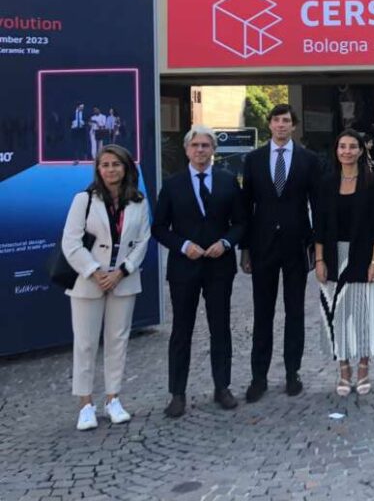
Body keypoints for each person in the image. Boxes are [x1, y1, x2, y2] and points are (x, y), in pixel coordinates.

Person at [152, 126, 246, 418]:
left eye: (206, 145)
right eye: (195, 145)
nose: (200, 150)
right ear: (186, 150)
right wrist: (182, 246)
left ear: (213, 150)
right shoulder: (172, 185)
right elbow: (159, 227)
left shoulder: (228, 181)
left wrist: (226, 243)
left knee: (221, 328)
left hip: (219, 267)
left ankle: (222, 387)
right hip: (184, 268)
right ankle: (177, 393)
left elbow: (241, 223)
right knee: (182, 331)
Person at [60, 144, 151, 431]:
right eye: (105, 165)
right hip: (88, 281)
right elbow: (70, 242)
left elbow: (143, 241)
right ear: (98, 169)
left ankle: (113, 399)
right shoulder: (84, 199)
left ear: (126, 168)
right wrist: (95, 271)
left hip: (123, 280)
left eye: (116, 164)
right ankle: (85, 404)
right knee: (85, 343)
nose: (111, 169)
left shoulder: (138, 201)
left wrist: (122, 271)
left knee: (117, 341)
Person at [240, 104, 321, 402]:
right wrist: (244, 248)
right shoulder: (254, 159)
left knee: (294, 312)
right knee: (263, 313)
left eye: (286, 120)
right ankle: (258, 376)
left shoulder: (308, 160)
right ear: (270, 124)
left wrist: (317, 246)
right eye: (276, 120)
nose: (281, 125)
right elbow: (245, 206)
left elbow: (317, 204)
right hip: (262, 246)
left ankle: (292, 373)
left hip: (296, 245)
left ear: (293, 126)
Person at [314, 129, 374, 396]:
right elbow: (319, 225)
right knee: (336, 315)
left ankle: (364, 368)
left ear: (360, 150)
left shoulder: (373, 181)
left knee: (365, 314)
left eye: (352, 146)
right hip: (333, 256)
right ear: (336, 151)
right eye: (342, 146)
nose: (347, 151)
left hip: (363, 255)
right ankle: (344, 369)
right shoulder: (326, 182)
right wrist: (319, 259)